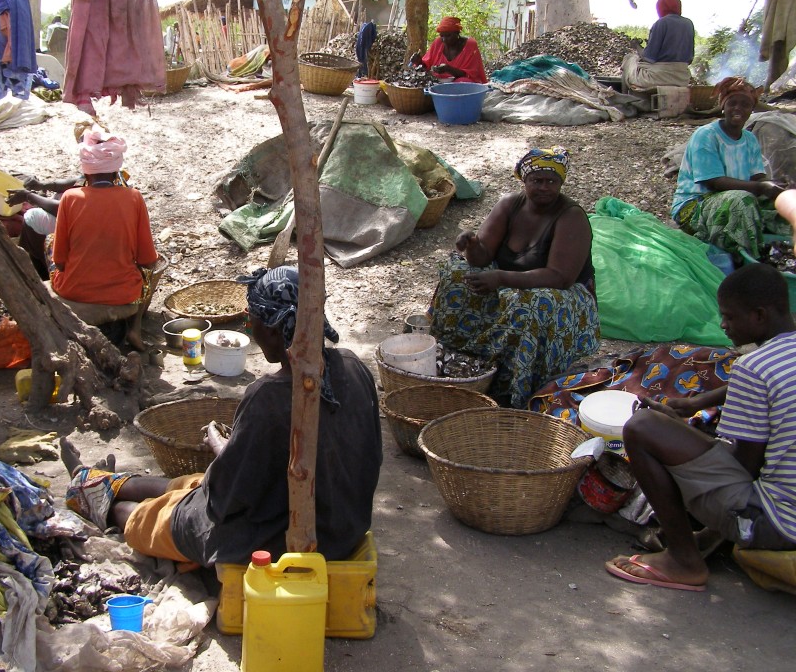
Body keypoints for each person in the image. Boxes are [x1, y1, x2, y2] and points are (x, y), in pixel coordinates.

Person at [61, 265, 383, 567]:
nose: (250, 329)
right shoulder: (354, 368)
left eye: (252, 322)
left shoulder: (268, 398)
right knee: (192, 485)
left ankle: (101, 502)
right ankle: (99, 481)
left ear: (274, 330)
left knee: (168, 518)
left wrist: (221, 450)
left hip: (279, 541)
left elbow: (225, 500)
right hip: (344, 528)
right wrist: (229, 458)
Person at [605, 263, 796, 591]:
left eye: (729, 317)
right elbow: (771, 385)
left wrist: (674, 429)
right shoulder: (778, 359)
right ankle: (708, 538)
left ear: (759, 316)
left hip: (778, 525)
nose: (723, 325)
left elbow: (743, 469)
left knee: (643, 428)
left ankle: (683, 561)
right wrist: (698, 403)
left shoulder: (753, 368)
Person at [429, 147, 599, 408]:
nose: (544, 187)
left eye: (552, 181)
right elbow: (481, 257)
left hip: (562, 295)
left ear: (561, 183)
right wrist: (471, 245)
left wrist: (500, 278)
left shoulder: (571, 216)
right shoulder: (510, 205)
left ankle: (512, 381)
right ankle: (458, 353)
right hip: (511, 280)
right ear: (524, 180)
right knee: (457, 274)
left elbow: (560, 277)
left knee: (530, 306)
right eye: (537, 180)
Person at [47, 131, 162, 351]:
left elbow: (59, 261)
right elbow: (148, 260)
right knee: (147, 273)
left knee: (48, 242)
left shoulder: (69, 198)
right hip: (123, 292)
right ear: (116, 171)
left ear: (86, 172)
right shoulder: (134, 197)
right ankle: (135, 329)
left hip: (73, 289)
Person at [671, 76, 788, 257]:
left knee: (784, 201)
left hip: (733, 198)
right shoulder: (706, 135)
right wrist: (762, 187)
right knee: (741, 201)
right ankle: (745, 257)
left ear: (751, 109)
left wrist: (776, 186)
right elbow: (713, 182)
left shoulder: (749, 139)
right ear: (723, 106)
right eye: (732, 103)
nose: (738, 108)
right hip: (695, 205)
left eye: (745, 104)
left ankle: (781, 247)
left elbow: (757, 177)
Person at [621, 0, 695, 93]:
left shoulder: (661, 23)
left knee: (629, 58)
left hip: (658, 78)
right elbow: (689, 59)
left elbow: (648, 58)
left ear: (661, 8)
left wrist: (637, 46)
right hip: (682, 79)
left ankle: (625, 96)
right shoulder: (689, 24)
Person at [409, 16, 487, 84]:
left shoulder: (470, 45)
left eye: (448, 36)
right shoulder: (438, 43)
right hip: (437, 82)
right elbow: (425, 68)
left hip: (461, 84)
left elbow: (471, 74)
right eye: (442, 36)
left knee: (463, 81)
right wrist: (418, 61)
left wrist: (448, 69)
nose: (444, 39)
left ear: (457, 33)